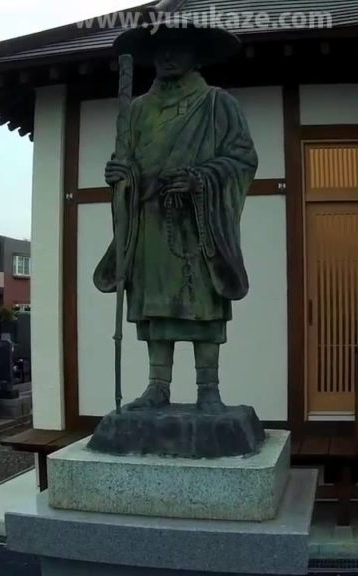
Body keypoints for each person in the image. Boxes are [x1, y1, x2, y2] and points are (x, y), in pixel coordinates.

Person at [93, 22, 257, 413]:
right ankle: (157, 385)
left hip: (197, 222)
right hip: (149, 220)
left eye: (178, 48)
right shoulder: (135, 112)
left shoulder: (218, 104)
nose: (167, 56)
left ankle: (209, 389)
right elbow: (128, 165)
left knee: (202, 305)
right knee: (155, 306)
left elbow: (242, 160)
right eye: (161, 49)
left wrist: (201, 179)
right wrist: (120, 178)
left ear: (196, 55)